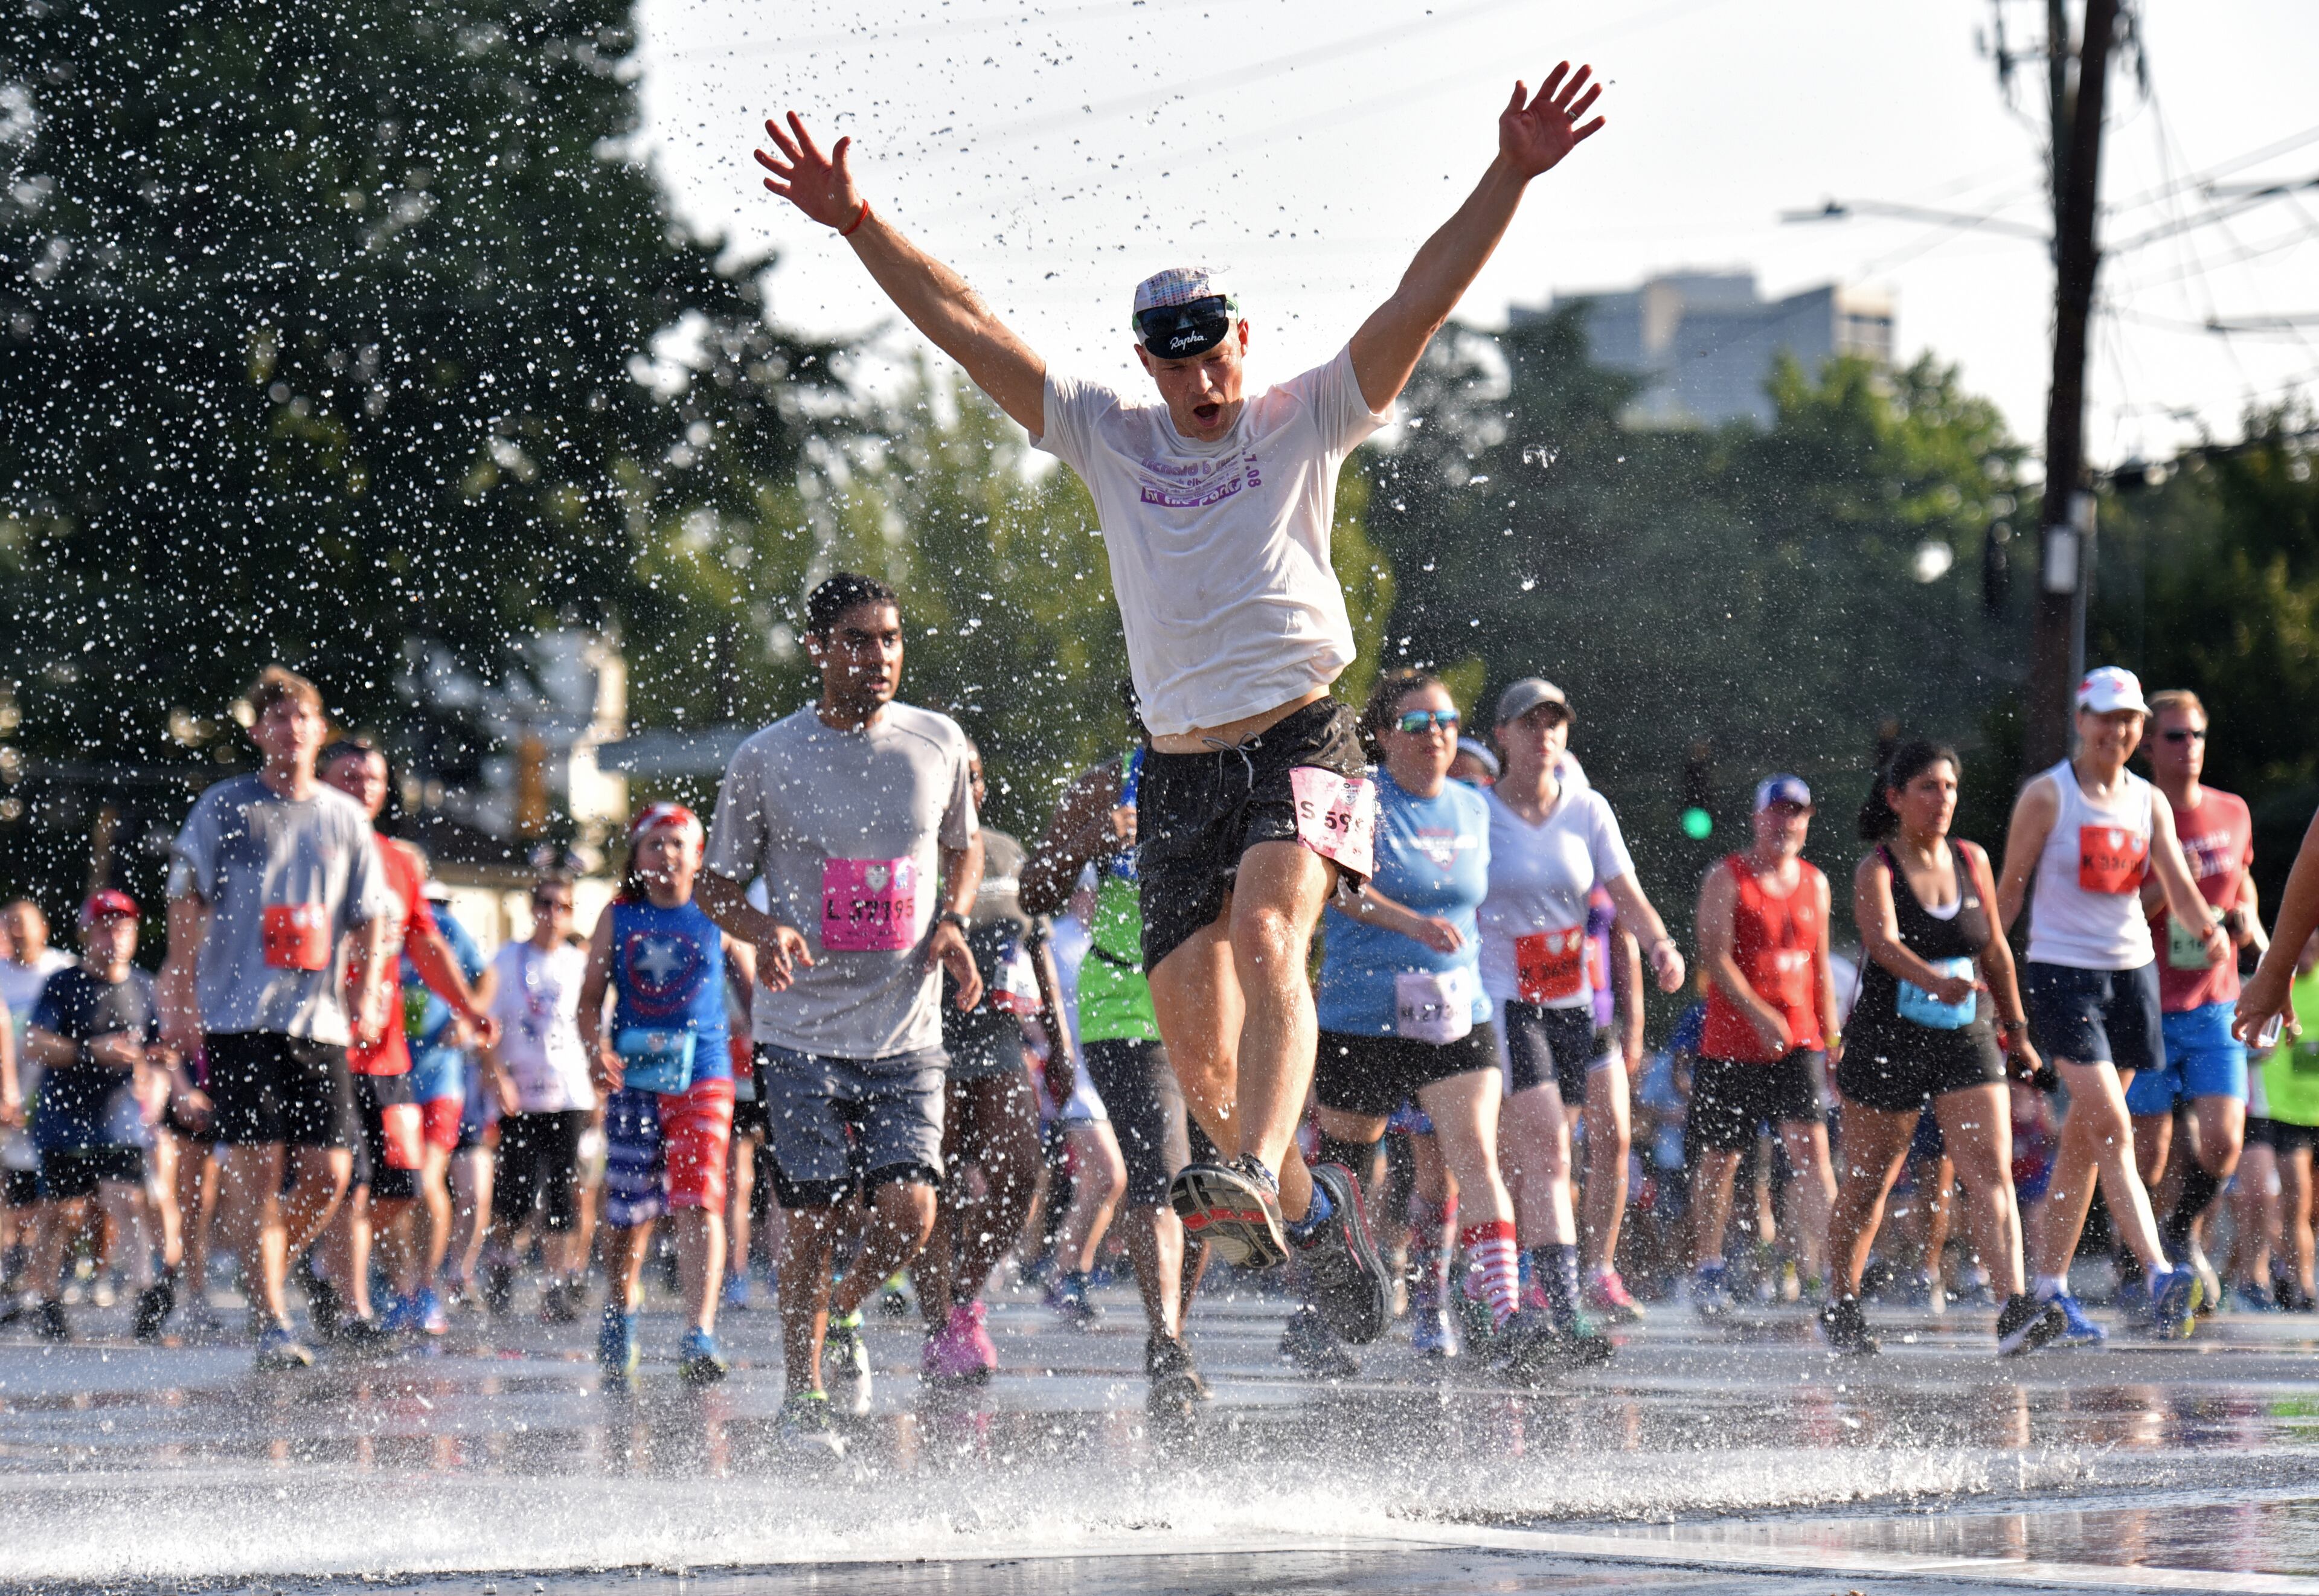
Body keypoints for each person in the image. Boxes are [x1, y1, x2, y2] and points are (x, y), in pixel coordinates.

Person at [754, 65, 1608, 1340]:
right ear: (1148, 367)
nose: (1201, 383)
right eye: (1177, 365)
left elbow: (1418, 298)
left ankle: (1262, 1174)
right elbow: (969, 327)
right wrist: (860, 222)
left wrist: (1511, 175)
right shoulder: (1113, 434)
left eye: (1215, 356)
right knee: (1199, 1058)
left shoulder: (1304, 413)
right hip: (1179, 766)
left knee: (1272, 939)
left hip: (1299, 735)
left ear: (1241, 345)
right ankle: (1317, 1215)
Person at [695, 573, 982, 1454]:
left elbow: (960, 849)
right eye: (857, 640)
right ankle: (802, 1386)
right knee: (810, 1213)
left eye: (890, 638)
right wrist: (765, 924)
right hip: (802, 1031)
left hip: (906, 1028)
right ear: (818, 646)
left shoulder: (936, 741)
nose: (878, 657)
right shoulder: (767, 757)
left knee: (913, 1209)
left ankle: (839, 1306)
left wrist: (954, 922)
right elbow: (713, 884)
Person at [158, 667, 393, 1371]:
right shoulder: (224, 807)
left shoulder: (343, 817)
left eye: (302, 718)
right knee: (259, 1170)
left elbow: (373, 914)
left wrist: (371, 989)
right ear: (258, 731)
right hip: (240, 1019)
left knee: (333, 1171)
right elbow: (185, 898)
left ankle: (268, 1270)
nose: (290, 730)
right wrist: (179, 993)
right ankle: (271, 1319)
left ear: (320, 731)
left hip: (317, 1020)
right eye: (277, 718)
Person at [1997, 667, 2231, 1344]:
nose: (2118, 732)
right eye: (2107, 718)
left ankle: (2049, 1292)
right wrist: (1986, 969)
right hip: (2063, 975)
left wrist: (2212, 935)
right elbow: (2009, 895)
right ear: (2082, 720)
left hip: (2132, 976)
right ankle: (2161, 1272)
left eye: (2130, 721)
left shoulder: (2147, 801)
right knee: (2114, 1127)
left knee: (2086, 1141)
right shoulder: (2048, 796)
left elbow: (2181, 890)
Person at [1818, 742, 2065, 1357]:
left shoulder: (1971, 858)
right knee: (1872, 1179)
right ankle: (1840, 1300)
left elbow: (1996, 952)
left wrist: (2020, 1033)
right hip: (1887, 1038)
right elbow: (1881, 943)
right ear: (1896, 799)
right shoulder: (1876, 868)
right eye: (1927, 788)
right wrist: (1934, 982)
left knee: (1987, 1167)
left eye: (1950, 787)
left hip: (1965, 1033)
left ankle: (2013, 1308)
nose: (1942, 800)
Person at [1306, 671, 1517, 1371]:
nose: (1437, 735)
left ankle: (1502, 1313)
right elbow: (1333, 888)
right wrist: (1411, 924)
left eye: (1448, 722)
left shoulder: (1475, 806)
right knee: (1344, 1169)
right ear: (1385, 733)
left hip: (1454, 1011)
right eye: (1419, 723)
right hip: (1361, 1011)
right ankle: (1325, 1315)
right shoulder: (1356, 796)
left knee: (1471, 1158)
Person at [1479, 678, 1686, 1348]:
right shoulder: (1478, 812)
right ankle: (1563, 1307)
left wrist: (1660, 945)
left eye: (1556, 724)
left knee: (1572, 1149)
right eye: (1530, 724)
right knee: (1545, 1146)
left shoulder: (1588, 810)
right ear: (1502, 736)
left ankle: (1511, 1281)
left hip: (1575, 1000)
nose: (1545, 736)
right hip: (1507, 999)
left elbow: (1626, 893)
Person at [1021, 690, 1213, 1406]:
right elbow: (1035, 891)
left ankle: (1176, 1332)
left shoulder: (1232, 782)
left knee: (1211, 1182)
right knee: (1160, 1169)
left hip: (1212, 1002)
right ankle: (1165, 1343)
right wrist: (1088, 844)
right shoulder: (1107, 787)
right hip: (1126, 1003)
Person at [313, 739, 497, 1342]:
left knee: (402, 1182)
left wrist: (467, 1007)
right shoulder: (307, 848)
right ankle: (355, 1306)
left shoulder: (396, 861)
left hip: (387, 1049)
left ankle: (325, 1260)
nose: (364, 786)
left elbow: (426, 942)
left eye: (374, 778)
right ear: (324, 781)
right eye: (350, 775)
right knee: (348, 1179)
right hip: (325, 1042)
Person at [578, 806, 746, 1386]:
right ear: (636, 856)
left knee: (700, 1198)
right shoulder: (619, 915)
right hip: (636, 1076)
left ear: (699, 856)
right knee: (630, 1211)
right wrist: (594, 1047)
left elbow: (758, 985)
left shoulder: (719, 913)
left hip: (704, 1073)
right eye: (655, 844)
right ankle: (621, 1304)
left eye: (679, 844)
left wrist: (780, 1043)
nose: (667, 855)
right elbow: (588, 998)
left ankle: (699, 1332)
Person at [2122, 690, 2262, 1308]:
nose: (2190, 748)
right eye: (2176, 736)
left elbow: (2243, 875)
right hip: (2148, 1000)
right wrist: (2177, 893)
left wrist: (2246, 919)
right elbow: (2117, 904)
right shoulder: (2130, 813)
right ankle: (2143, 1258)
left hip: (2214, 1000)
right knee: (2147, 1156)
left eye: (2198, 735)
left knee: (2223, 1140)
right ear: (2150, 745)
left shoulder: (2232, 810)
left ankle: (2182, 1236)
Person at [916, 741, 1048, 1383]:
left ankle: (964, 1295)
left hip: (996, 1038)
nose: (964, 788)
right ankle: (942, 1325)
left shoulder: (1005, 849)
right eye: (951, 778)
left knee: (1022, 1171)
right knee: (930, 1191)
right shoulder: (909, 847)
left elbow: (1039, 942)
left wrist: (1062, 1045)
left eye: (972, 777)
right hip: (923, 1042)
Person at [1686, 775, 1840, 1315]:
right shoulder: (1727, 877)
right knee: (1722, 1158)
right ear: (1757, 819)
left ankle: (1825, 1271)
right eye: (1776, 813)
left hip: (1797, 1043)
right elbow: (1714, 956)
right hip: (1732, 1044)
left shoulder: (1816, 883)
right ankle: (1708, 1265)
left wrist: (1832, 1036)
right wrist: (1759, 1013)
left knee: (1813, 1155)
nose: (1786, 823)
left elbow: (1819, 966)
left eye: (1796, 813)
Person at [14, 893, 168, 1341]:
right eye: (105, 926)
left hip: (121, 1118)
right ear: (87, 932)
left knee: (130, 1201)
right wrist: (88, 1052)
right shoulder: (64, 984)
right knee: (61, 1211)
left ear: (135, 935)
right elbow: (35, 1044)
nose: (114, 936)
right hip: (64, 1120)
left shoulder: (144, 986)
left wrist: (160, 1073)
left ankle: (146, 1291)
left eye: (123, 927)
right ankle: (46, 1296)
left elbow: (159, 1051)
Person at [478, 874, 596, 1321]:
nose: (553, 914)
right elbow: (484, 1025)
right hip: (521, 1094)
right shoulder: (506, 960)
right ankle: (502, 1261)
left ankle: (554, 1284)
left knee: (564, 1191)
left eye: (563, 906)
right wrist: (496, 1075)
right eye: (546, 904)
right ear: (533, 908)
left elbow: (594, 1026)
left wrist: (599, 1086)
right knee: (517, 1192)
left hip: (569, 1092)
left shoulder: (579, 963)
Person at [406, 880, 491, 1312]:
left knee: (425, 1178)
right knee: (397, 1187)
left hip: (441, 1077)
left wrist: (467, 1015)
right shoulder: (370, 919)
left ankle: (424, 1285)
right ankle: (401, 1278)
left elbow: (486, 975)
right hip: (390, 1076)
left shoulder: (441, 924)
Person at [1, 901, 72, 1285]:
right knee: (12, 1183)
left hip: (53, 1094)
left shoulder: (61, 969)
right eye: (9, 924)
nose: (15, 932)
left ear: (43, 929)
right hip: (9, 1096)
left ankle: (44, 1270)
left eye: (22, 925)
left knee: (51, 1185)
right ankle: (15, 1266)